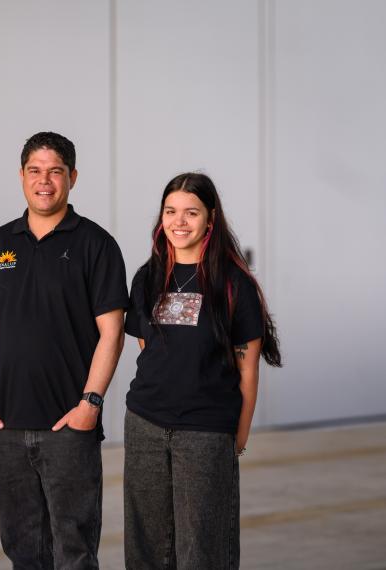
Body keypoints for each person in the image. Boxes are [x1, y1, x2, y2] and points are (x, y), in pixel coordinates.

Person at [0, 131, 129, 569]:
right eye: (35, 171)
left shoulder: (97, 245)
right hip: (7, 428)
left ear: (72, 177)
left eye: (55, 171)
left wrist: (89, 405)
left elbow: (112, 333)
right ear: (21, 176)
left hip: (69, 429)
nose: (44, 181)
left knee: (73, 552)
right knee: (23, 551)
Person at [123, 172, 282, 569]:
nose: (179, 222)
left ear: (210, 219)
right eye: (170, 212)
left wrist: (237, 437)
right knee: (147, 548)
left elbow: (248, 371)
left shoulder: (233, 285)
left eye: (191, 212)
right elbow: (150, 348)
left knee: (203, 549)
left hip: (206, 432)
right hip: (145, 424)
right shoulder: (148, 278)